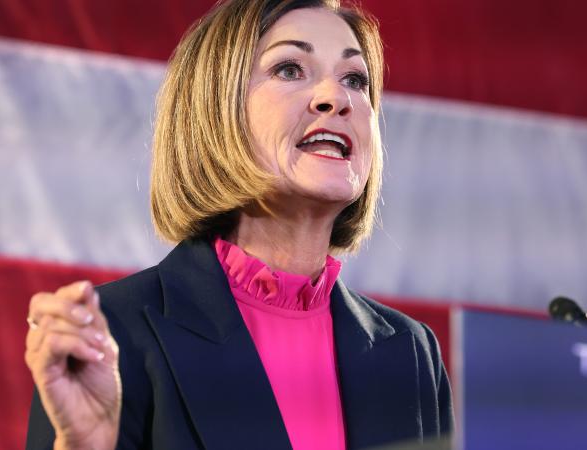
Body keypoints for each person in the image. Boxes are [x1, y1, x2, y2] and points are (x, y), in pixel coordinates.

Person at [24, 0, 453, 449]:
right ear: (216, 111)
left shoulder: (411, 353)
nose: (337, 97)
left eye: (355, 79)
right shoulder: (113, 334)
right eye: (290, 69)